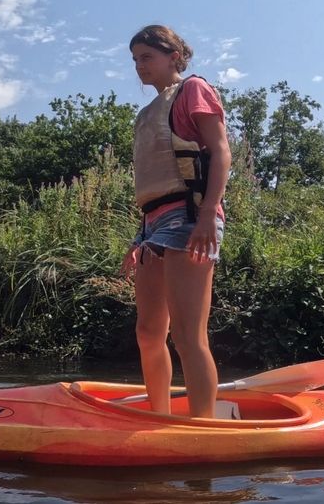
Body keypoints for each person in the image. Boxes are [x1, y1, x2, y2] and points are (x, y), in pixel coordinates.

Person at [119, 24, 232, 418]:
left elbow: (220, 153)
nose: (140, 66)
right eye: (135, 59)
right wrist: (138, 239)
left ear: (173, 57)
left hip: (189, 218)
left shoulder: (193, 90)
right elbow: (152, 187)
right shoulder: (146, 113)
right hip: (152, 226)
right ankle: (160, 418)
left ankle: (202, 427)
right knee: (149, 334)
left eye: (147, 57)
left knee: (187, 335)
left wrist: (206, 217)